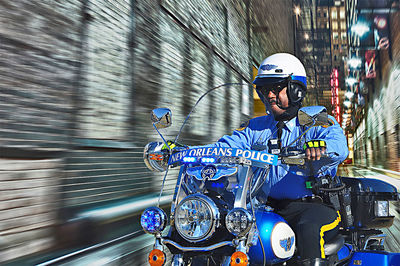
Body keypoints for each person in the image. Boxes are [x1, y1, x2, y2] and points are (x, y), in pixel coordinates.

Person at [207, 53, 349, 265]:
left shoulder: (316, 121)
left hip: (312, 206)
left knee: (309, 229)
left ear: (296, 90)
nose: (269, 95)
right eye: (265, 90)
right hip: (264, 207)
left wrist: (321, 147)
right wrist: (189, 151)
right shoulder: (256, 127)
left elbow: (340, 147)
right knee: (222, 230)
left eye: (276, 88)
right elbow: (225, 146)